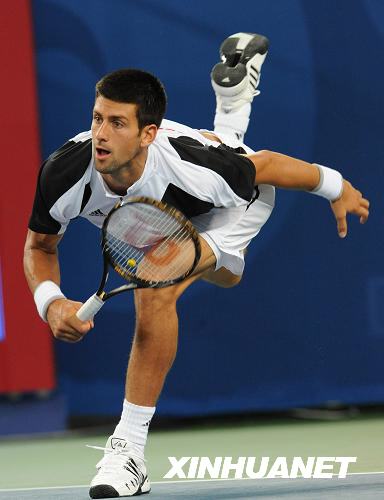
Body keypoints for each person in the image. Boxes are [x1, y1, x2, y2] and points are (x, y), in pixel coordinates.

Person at [23, 32, 369, 498]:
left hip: (233, 206)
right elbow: (40, 246)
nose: (101, 135)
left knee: (166, 282)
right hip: (156, 218)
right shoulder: (65, 172)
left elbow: (264, 166)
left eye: (118, 124)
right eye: (97, 118)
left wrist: (335, 185)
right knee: (180, 269)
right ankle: (232, 100)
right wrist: (51, 302)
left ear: (148, 133)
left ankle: (127, 451)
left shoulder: (197, 167)